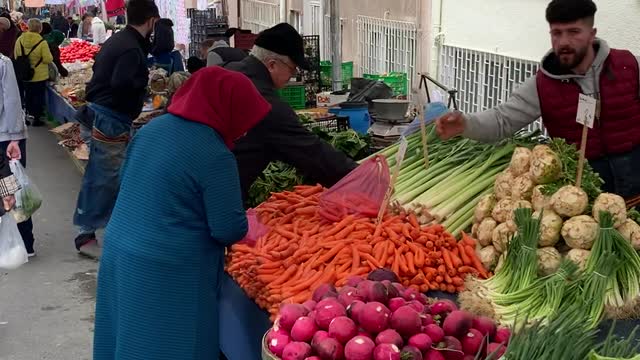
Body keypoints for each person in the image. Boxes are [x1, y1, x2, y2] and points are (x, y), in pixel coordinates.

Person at [92, 66, 271, 360]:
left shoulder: (150, 130)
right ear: (227, 109)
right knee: (177, 343)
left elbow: (127, 181)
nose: (246, 129)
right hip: (170, 268)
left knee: (130, 337)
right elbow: (227, 228)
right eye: (243, 116)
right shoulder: (215, 153)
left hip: (120, 252)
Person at [435, 0, 640, 199]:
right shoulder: (542, 85)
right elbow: (502, 119)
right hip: (584, 195)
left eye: (574, 32)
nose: (564, 42)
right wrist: (466, 124)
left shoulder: (628, 65)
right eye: (557, 33)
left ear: (591, 34)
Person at [225, 23, 357, 204]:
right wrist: (361, 177)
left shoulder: (229, 71)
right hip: (215, 198)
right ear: (272, 65)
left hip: (188, 184)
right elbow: (312, 152)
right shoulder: (265, 104)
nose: (292, 76)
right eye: (292, 68)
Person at [73, 0, 159, 257]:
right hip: (109, 118)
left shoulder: (120, 41)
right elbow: (122, 84)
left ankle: (109, 231)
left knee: (108, 176)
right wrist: (142, 87)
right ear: (152, 20)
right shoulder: (130, 49)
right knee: (105, 178)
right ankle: (87, 236)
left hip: (103, 114)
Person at [0, 27, 26, 253]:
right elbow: (11, 101)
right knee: (11, 189)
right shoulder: (2, 63)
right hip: (4, 137)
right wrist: (15, 137)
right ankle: (24, 243)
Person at [14, 18, 52, 127]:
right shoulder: (42, 42)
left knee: (26, 96)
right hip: (39, 75)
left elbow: (16, 56)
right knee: (38, 97)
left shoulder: (20, 40)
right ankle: (36, 118)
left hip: (24, 73)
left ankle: (25, 116)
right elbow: (47, 59)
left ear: (29, 27)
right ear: (40, 29)